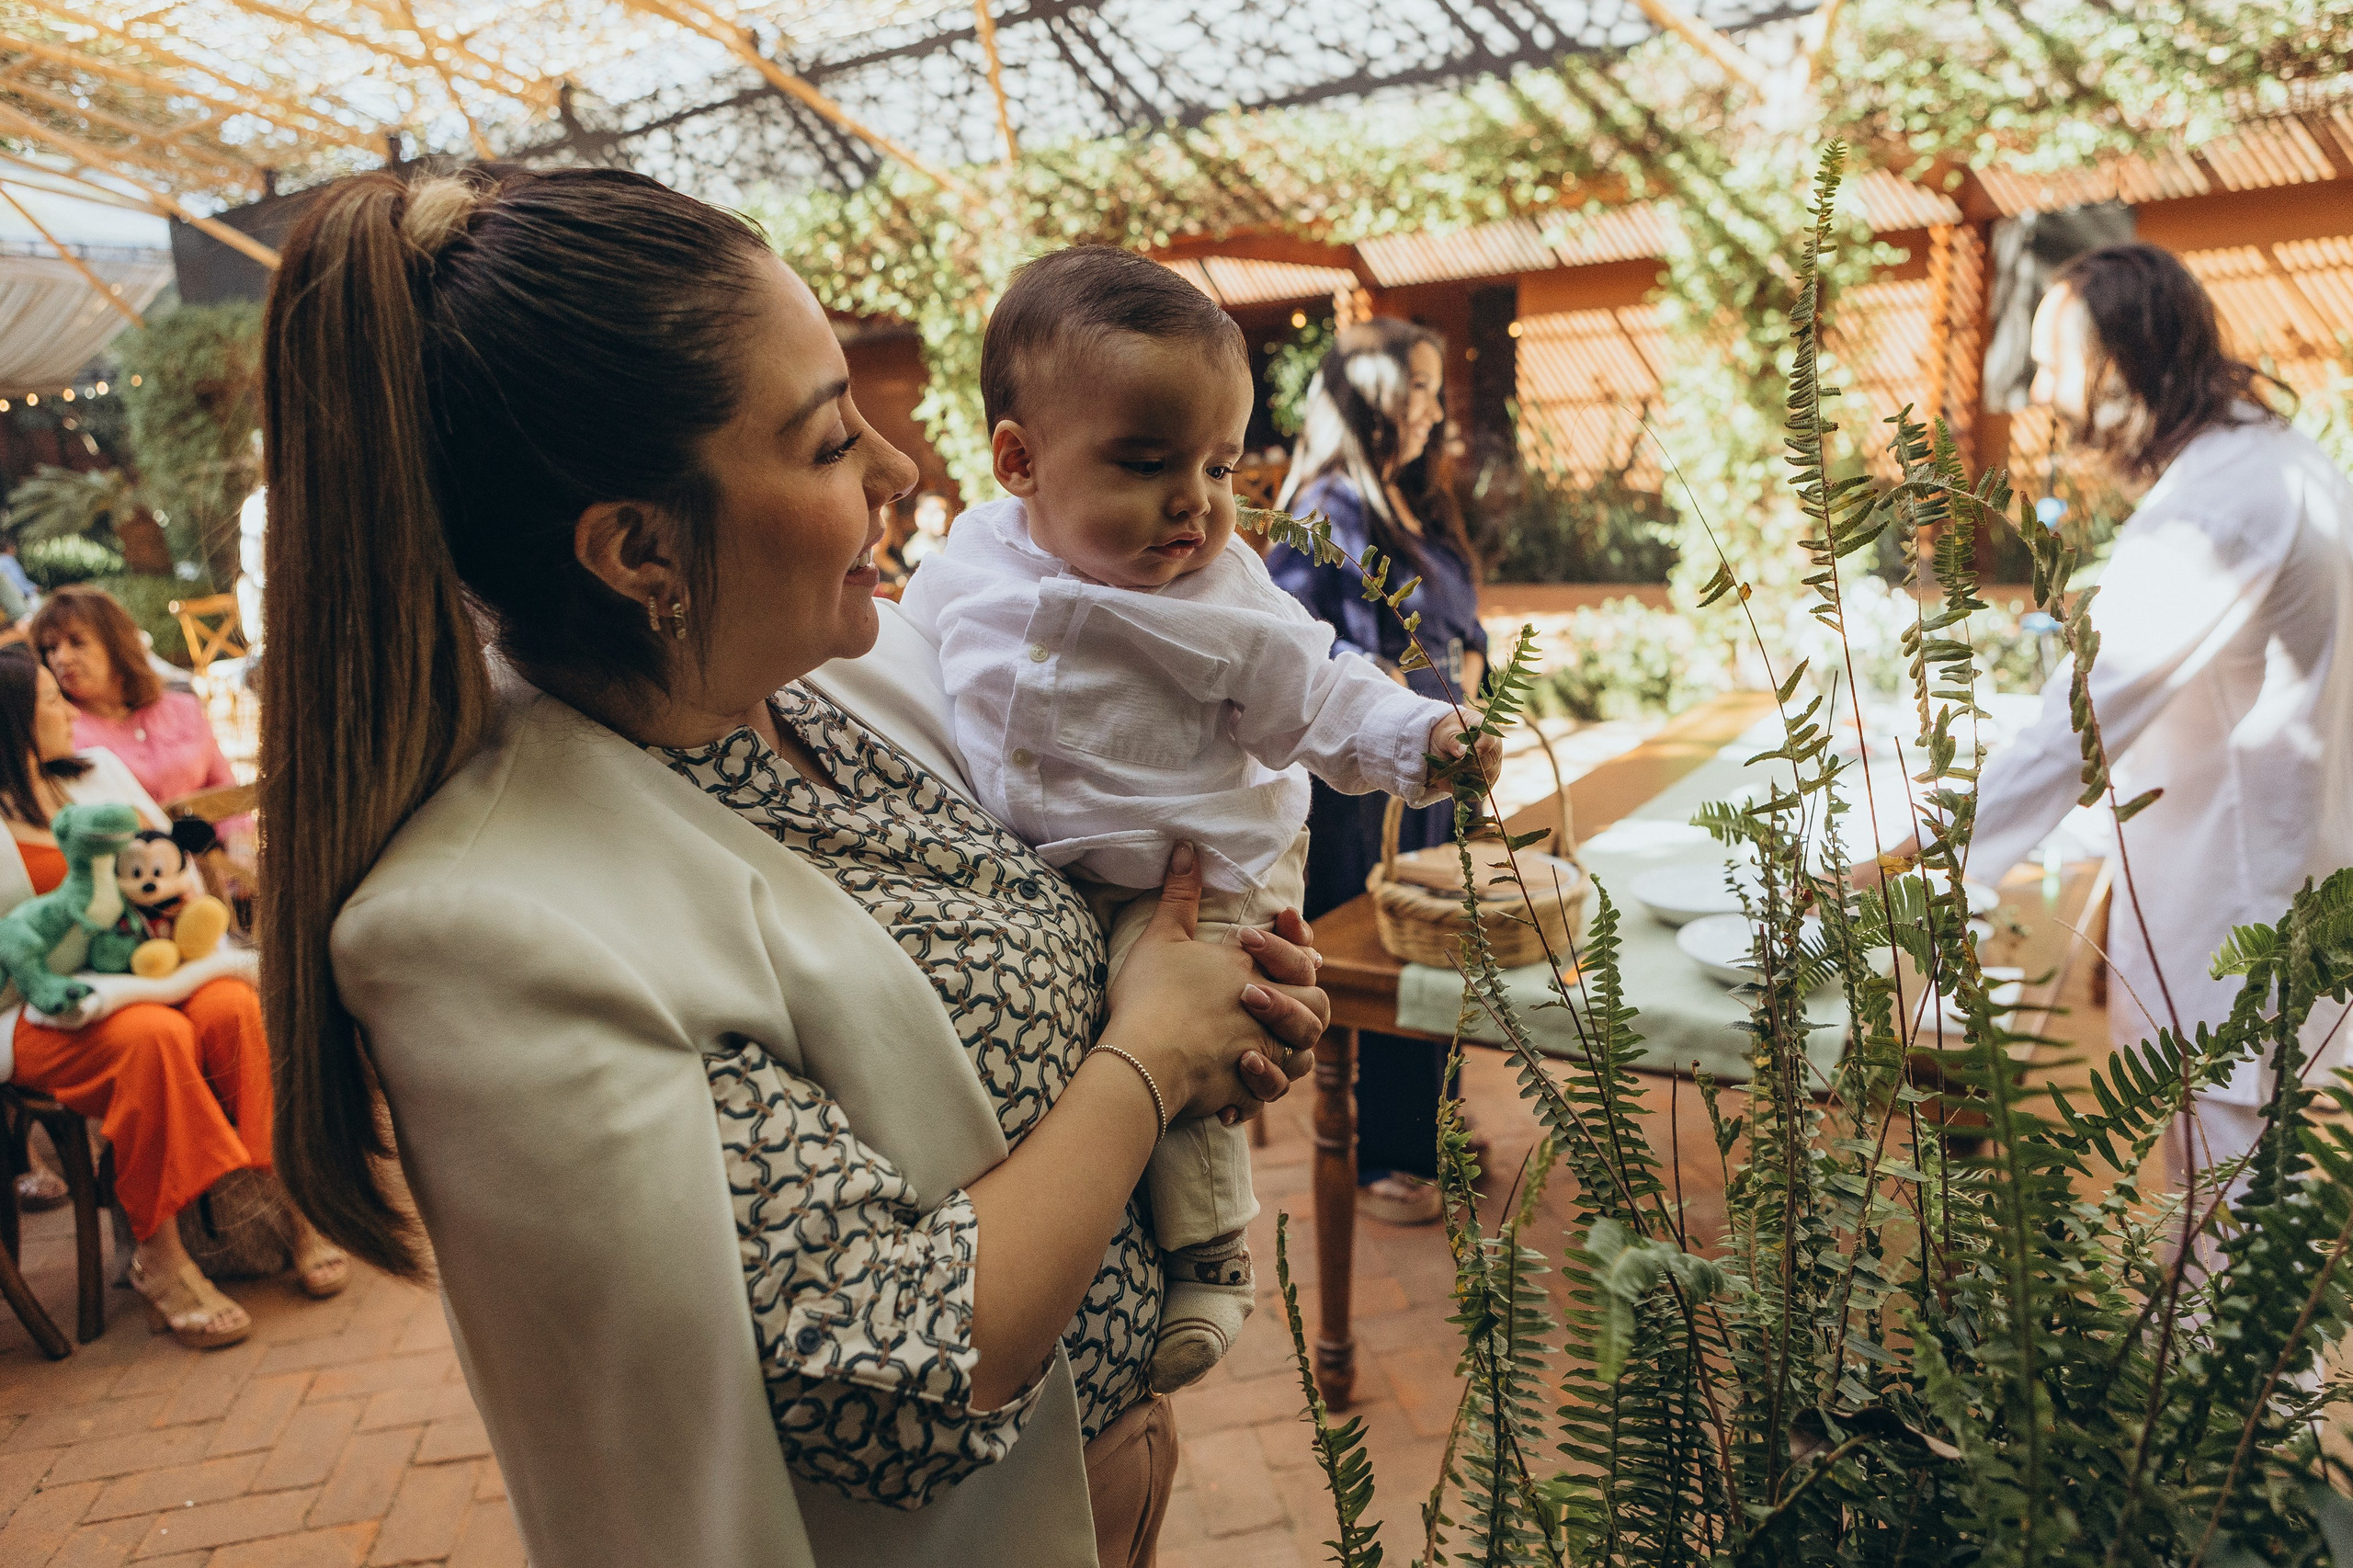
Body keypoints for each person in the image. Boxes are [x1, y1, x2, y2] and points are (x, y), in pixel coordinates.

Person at [261, 166, 1329, 1568]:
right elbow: (887, 1382)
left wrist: (1217, 985)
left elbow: (1078, 914)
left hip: (1115, 1472)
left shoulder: (843, 679)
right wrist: (1146, 1063)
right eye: (830, 442)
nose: (898, 469)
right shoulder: (482, 923)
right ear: (639, 549)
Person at [903, 247, 1495, 1393]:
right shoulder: (964, 564)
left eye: (1219, 465)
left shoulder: (1223, 595)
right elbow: (913, 663)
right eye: (1147, 463)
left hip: (1194, 866)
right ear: (1019, 461)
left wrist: (1419, 736)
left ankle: (1211, 1250)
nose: (1197, 501)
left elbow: (1319, 687)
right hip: (1043, 869)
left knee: (1202, 1032)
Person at [1894, 244, 2353, 1181]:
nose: (2040, 391)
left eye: (2052, 364)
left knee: (2224, 1239)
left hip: (2233, 919)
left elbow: (2082, 715)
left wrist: (1917, 844)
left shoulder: (2216, 507)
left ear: (2120, 364)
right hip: (2287, 888)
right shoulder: (2280, 461)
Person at [0, 646, 347, 1348]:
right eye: (50, 701)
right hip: (41, 1006)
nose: (68, 712)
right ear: (11, 722)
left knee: (232, 1009)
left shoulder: (97, 772)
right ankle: (161, 1257)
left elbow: (173, 863)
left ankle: (293, 1206)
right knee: (152, 1037)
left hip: (153, 971)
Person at [1267, 318, 1488, 1225]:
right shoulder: (1324, 513)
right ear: (1370, 398)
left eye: (1436, 387)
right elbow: (1296, 649)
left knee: (1440, 940)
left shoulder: (1414, 503)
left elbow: (1461, 626)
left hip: (1436, 765)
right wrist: (1410, 707)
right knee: (1392, 950)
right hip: (1370, 784)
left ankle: (1433, 1127)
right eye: (1420, 387)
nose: (1434, 409)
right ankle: (1388, 1150)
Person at [29, 585, 237, 807]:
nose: (62, 658)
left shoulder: (184, 708)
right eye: (51, 648)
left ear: (116, 645)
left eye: (77, 642)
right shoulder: (59, 732)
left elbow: (227, 791)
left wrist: (233, 831)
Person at [901, 487, 953, 569]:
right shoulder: (916, 551)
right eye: (935, 512)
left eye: (945, 511)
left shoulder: (946, 542)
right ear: (919, 515)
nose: (942, 517)